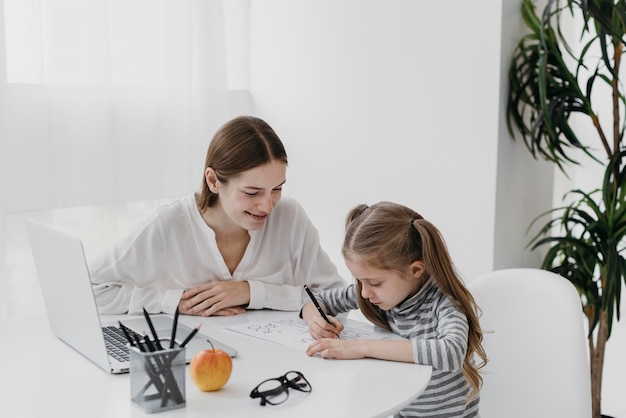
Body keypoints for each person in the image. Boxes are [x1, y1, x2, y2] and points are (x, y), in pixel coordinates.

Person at [90, 115, 346, 316]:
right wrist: (175, 302)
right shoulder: (166, 225)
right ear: (213, 181)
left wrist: (252, 292)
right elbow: (89, 290)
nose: (268, 206)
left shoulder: (289, 216)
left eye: (277, 189)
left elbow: (336, 295)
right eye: (252, 192)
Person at [301, 202, 487, 418]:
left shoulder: (444, 302)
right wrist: (316, 320)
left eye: (375, 283)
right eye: (361, 281)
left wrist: (362, 347)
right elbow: (314, 300)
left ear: (415, 270)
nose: (364, 293)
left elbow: (451, 352)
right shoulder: (375, 294)